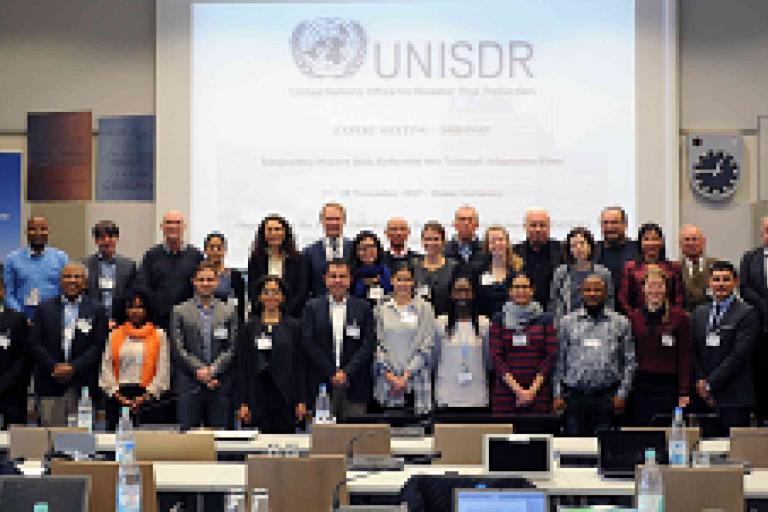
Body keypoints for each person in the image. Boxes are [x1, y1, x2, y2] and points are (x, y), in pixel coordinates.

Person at [553, 274, 636, 436]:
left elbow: (630, 362)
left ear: (605, 293)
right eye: (588, 290)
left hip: (607, 397)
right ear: (582, 293)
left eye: (597, 290)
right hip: (574, 396)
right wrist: (557, 394)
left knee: (605, 451)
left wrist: (622, 394)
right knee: (575, 451)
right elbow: (559, 361)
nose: (592, 294)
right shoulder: (567, 323)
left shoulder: (621, 323)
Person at [26, 263, 108, 426]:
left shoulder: (97, 310)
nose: (72, 281)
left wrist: (73, 367)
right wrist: (54, 366)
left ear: (85, 282)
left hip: (82, 383)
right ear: (60, 281)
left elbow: (98, 345)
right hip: (50, 381)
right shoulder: (44, 308)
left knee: (81, 441)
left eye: (77, 277)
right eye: (67, 276)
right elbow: (34, 343)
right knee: (50, 440)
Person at [302, 259, 375, 420]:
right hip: (322, 385)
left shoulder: (363, 308)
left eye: (342, 276)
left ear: (350, 280)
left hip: (355, 385)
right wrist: (332, 372)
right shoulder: (312, 307)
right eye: (333, 276)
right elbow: (308, 342)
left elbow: (368, 344)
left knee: (356, 439)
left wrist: (346, 373)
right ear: (325, 280)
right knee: (323, 440)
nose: (337, 281)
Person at [692, 261, 758, 434]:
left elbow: (739, 355)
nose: (721, 284)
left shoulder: (747, 313)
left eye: (726, 279)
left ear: (735, 282)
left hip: (734, 397)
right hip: (703, 397)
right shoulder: (699, 313)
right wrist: (700, 381)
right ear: (709, 282)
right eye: (716, 279)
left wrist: (710, 384)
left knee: (735, 454)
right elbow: (693, 351)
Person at [171, 261, 238, 429]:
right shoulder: (180, 311)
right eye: (201, 280)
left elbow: (231, 347)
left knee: (220, 438)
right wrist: (199, 370)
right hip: (189, 382)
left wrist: (213, 370)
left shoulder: (228, 311)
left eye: (210, 279)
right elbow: (179, 348)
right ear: (193, 281)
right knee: (188, 439)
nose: (205, 284)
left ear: (217, 282)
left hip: (219, 382)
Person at [236, 276, 306, 433]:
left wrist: (301, 400)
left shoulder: (294, 327)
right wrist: (242, 403)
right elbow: (242, 367)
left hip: (286, 397)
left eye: (276, 292)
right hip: (256, 398)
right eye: (266, 292)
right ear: (260, 297)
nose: (271, 296)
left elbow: (300, 365)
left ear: (283, 297)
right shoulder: (249, 328)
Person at [627, 265, 691, 426]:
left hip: (669, 385)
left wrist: (684, 391)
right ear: (643, 288)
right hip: (641, 384)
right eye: (650, 286)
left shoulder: (679, 317)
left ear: (666, 288)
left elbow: (684, 355)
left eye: (659, 286)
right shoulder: (633, 317)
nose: (655, 290)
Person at [98, 288, 170, 429]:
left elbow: (163, 370)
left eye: (139, 307)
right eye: (131, 307)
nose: (135, 311)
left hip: (149, 399)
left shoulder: (159, 335)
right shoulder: (115, 334)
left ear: (147, 309)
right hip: (118, 397)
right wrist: (120, 398)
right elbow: (106, 368)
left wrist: (143, 398)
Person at [490, 273, 556, 414]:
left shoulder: (545, 319)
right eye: (517, 287)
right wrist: (518, 391)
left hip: (538, 395)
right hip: (505, 395)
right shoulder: (499, 319)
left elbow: (550, 356)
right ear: (510, 291)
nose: (521, 291)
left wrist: (531, 391)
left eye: (525, 287)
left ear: (532, 290)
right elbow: (496, 357)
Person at [374, 263, 436, 414]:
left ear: (413, 282)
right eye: (399, 279)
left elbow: (426, 346)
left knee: (419, 434)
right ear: (392, 281)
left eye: (407, 280)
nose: (403, 284)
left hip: (417, 382)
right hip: (388, 382)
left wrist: (405, 377)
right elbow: (377, 345)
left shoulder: (425, 308)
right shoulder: (380, 309)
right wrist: (392, 377)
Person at [136, 210, 204, 332]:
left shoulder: (196, 256)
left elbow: (202, 287)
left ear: (184, 227)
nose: (173, 226)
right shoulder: (151, 255)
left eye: (177, 223)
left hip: (188, 322)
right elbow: (143, 287)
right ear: (162, 227)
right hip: (158, 322)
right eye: (169, 223)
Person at [434, 274, 490, 411]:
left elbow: (489, 361)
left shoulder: (484, 324)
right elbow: (433, 359)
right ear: (451, 294)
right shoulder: (440, 323)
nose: (462, 296)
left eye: (466, 291)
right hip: (447, 396)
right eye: (458, 291)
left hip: (476, 397)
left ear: (473, 294)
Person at [3, 216, 68, 320]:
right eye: (33, 229)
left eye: (43, 229)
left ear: (48, 232)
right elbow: (9, 294)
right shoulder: (12, 259)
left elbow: (66, 291)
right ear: (26, 232)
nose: (38, 233)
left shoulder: (61, 258)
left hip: (52, 320)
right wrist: (21, 316)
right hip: (22, 320)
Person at [549, 227, 614, 324]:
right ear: (569, 249)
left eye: (582, 244)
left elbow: (609, 302)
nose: (578, 248)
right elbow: (555, 303)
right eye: (574, 245)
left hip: (598, 325)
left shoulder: (603, 273)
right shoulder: (561, 273)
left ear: (590, 246)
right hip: (568, 325)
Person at [247, 215, 306, 318]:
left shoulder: (297, 260)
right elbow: (253, 290)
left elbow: (301, 291)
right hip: (262, 317)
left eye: (277, 229)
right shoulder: (256, 259)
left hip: (292, 317)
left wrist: (284, 313)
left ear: (285, 232)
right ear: (263, 234)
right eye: (269, 230)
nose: (273, 233)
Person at [618, 223, 683, 316]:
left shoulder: (673, 268)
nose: (651, 243)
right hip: (638, 321)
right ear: (640, 242)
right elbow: (624, 299)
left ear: (661, 242)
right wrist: (635, 317)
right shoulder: (630, 267)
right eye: (646, 239)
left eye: (655, 239)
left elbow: (678, 298)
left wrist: (673, 317)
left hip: (668, 320)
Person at [81, 220, 137, 328]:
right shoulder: (84, 265)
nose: (107, 241)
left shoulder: (129, 266)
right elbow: (83, 298)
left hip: (121, 325)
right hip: (92, 324)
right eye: (102, 238)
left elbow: (131, 297)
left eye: (111, 237)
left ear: (117, 239)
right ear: (96, 241)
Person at [739, 216, 768, 424]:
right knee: (760, 374)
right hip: (759, 326)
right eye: (767, 230)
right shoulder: (750, 257)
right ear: (761, 234)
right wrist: (763, 304)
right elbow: (745, 287)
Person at [513, 208, 562, 310]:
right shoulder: (514, 252)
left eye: (542, 225)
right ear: (525, 227)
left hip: (554, 311)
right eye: (533, 225)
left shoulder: (562, 251)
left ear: (549, 227)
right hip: (522, 311)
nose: (538, 229)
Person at [0, 274, 32, 426]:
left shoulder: (17, 319)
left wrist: (5, 382)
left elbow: (24, 356)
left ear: (2, 291)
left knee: (17, 444)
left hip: (12, 393)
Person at [303, 202, 353, 298]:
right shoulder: (309, 253)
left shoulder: (355, 249)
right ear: (322, 221)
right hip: (318, 309)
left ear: (344, 221)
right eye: (329, 219)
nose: (333, 223)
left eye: (337, 219)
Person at [594, 206, 638, 309]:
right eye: (605, 223)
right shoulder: (593, 251)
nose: (609, 227)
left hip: (631, 312)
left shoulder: (637, 250)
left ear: (625, 225)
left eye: (614, 222)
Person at [476, 226, 525, 318]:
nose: (497, 244)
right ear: (487, 246)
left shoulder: (519, 271)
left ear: (507, 243)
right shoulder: (478, 272)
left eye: (500, 240)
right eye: (492, 241)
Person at [412, 221, 458, 316]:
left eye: (436, 239)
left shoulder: (454, 267)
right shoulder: (413, 266)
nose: (431, 243)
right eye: (427, 239)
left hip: (445, 320)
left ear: (444, 241)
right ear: (422, 241)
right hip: (418, 319)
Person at [204, 232, 246, 322]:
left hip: (229, 323)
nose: (215, 251)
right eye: (211, 247)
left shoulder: (236, 277)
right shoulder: (199, 277)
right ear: (205, 250)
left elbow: (240, 308)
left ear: (225, 250)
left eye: (219, 247)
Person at [679, 224, 717, 312]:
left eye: (695, 239)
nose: (691, 243)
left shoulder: (716, 265)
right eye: (687, 240)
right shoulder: (675, 268)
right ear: (680, 244)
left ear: (703, 242)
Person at [350, 231, 393, 304]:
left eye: (371, 247)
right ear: (356, 251)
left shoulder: (387, 272)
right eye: (362, 248)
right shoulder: (351, 273)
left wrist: (379, 281)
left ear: (378, 249)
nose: (367, 251)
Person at [444, 205, 486, 274]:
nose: (466, 223)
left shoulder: (486, 249)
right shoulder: (444, 250)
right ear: (455, 224)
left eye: (470, 219)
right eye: (462, 219)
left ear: (477, 224)